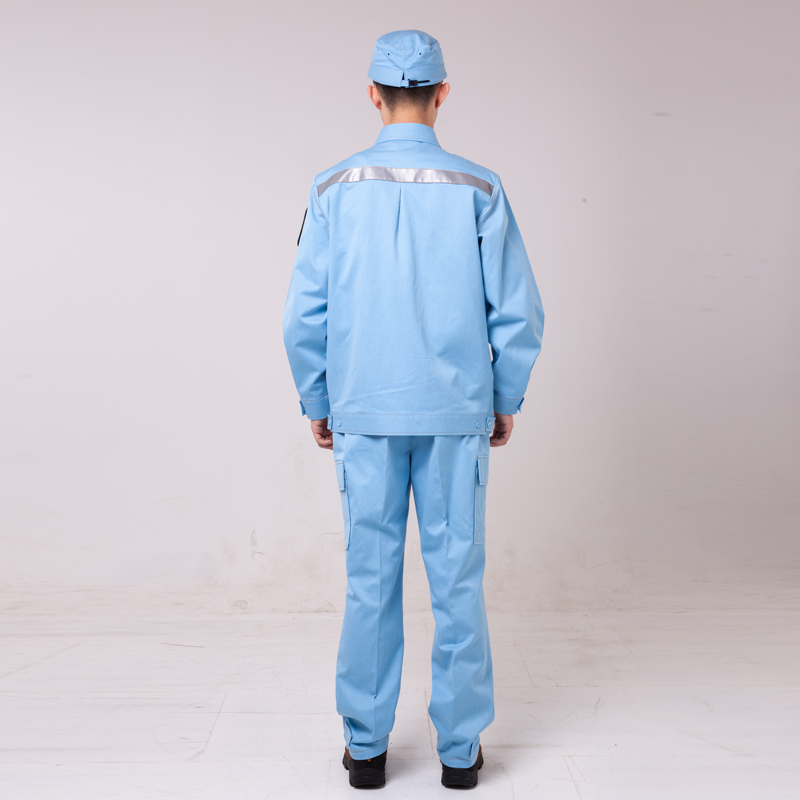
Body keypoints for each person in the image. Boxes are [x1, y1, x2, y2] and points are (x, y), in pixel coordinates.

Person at [283, 29, 544, 789]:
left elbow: (303, 315)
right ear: (442, 93)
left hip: (364, 410)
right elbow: (519, 312)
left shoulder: (332, 188)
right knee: (457, 579)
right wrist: (503, 396)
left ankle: (367, 750)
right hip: (455, 414)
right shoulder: (480, 188)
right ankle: (459, 755)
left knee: (370, 578)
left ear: (372, 94)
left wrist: (318, 397)